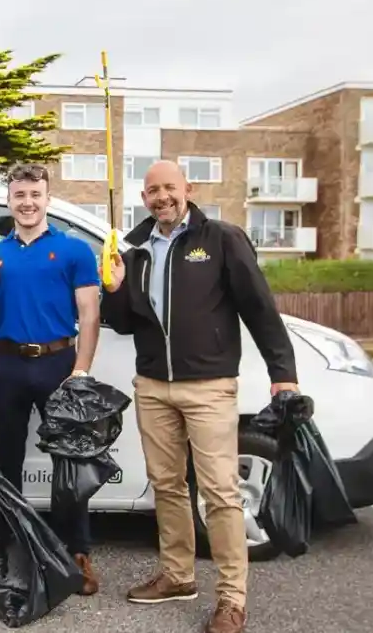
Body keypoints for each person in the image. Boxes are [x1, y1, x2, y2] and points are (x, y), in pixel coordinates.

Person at [100, 160, 299, 633]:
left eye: (169, 187)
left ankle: (231, 600)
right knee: (167, 486)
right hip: (152, 386)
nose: (161, 197)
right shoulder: (134, 249)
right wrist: (113, 289)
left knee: (220, 494)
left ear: (187, 189)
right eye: (152, 190)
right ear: (143, 198)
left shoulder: (221, 239)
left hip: (209, 386)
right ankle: (177, 575)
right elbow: (125, 323)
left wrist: (283, 373)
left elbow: (259, 308)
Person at [0, 162, 103, 594]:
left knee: (71, 461)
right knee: (4, 463)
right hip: (5, 364)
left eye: (35, 195)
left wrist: (81, 370)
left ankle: (76, 551)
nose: (27, 203)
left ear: (47, 198)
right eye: (19, 195)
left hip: (59, 363)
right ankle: (0, 546)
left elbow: (90, 314)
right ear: (9, 200)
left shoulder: (74, 250)